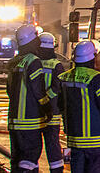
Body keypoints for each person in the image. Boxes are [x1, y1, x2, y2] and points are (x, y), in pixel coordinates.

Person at [59, 40, 100, 173]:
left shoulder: (64, 78)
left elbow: (60, 107)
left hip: (74, 140)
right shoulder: (97, 79)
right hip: (95, 141)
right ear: (93, 57)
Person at [7, 23, 50, 172]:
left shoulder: (14, 62)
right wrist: (47, 108)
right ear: (31, 40)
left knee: (17, 160)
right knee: (29, 160)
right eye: (36, 37)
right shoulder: (33, 61)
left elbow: (9, 90)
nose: (38, 41)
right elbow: (38, 90)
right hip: (29, 121)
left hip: (13, 121)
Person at [38, 32, 65, 173]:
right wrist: (47, 99)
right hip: (52, 113)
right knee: (52, 145)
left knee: (34, 147)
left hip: (35, 113)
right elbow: (58, 87)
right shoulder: (57, 65)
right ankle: (56, 170)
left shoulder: (33, 62)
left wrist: (40, 100)